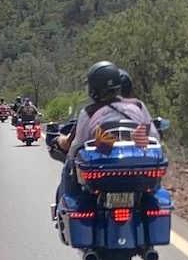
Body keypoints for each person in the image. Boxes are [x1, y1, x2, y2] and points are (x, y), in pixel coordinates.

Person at [55, 61, 158, 201]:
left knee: (69, 164)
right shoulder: (138, 106)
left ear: (93, 88)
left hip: (103, 173)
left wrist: (71, 156)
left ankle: (65, 202)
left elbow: (77, 146)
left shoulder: (89, 112)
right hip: (138, 170)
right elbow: (153, 137)